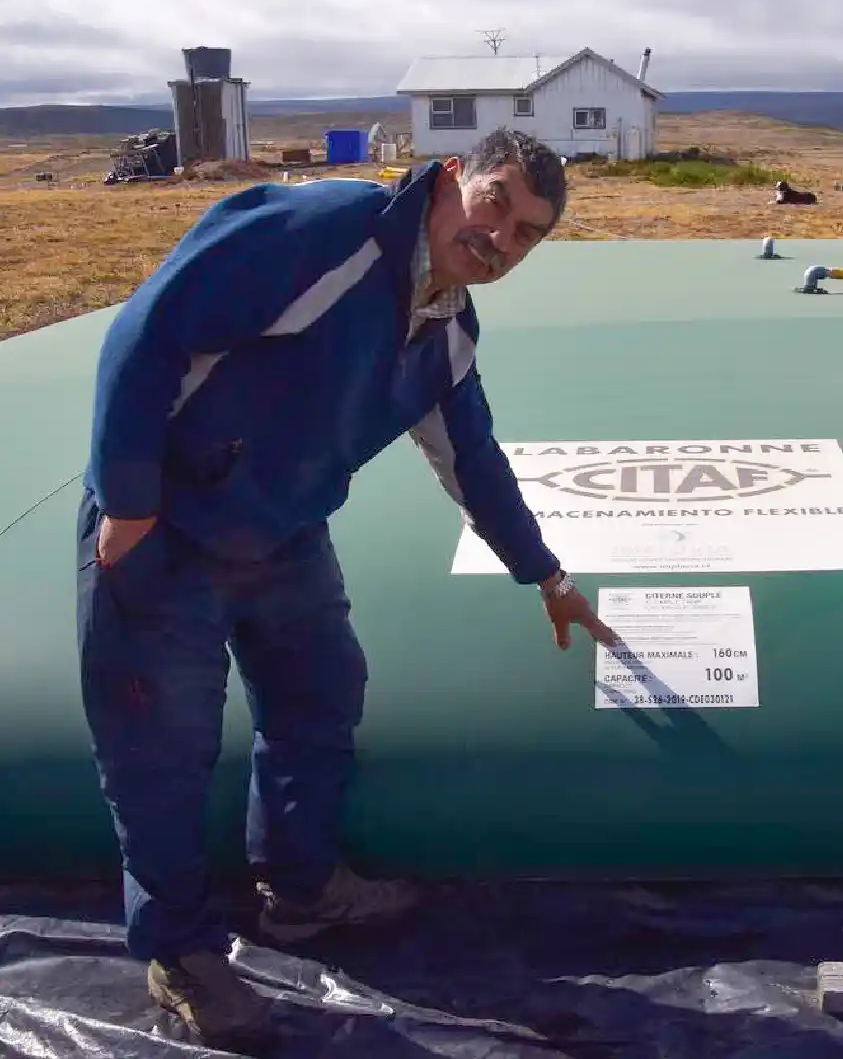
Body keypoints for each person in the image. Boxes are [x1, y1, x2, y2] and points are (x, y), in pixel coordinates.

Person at [76, 127, 615, 1048]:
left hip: (281, 534)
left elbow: (473, 464)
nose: (500, 240)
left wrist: (548, 575)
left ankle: (300, 891)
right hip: (161, 530)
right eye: (496, 206)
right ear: (453, 178)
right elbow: (149, 331)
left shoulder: (445, 331)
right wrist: (127, 502)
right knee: (159, 752)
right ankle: (181, 953)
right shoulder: (331, 232)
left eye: (527, 235)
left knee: (320, 696)